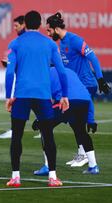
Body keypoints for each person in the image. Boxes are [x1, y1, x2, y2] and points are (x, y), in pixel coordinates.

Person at [5, 10, 69, 187]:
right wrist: (64, 95)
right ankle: (53, 177)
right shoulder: (49, 44)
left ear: (25, 24)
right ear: (40, 24)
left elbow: (10, 72)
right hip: (43, 96)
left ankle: (15, 177)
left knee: (16, 136)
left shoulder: (15, 43)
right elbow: (62, 71)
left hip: (22, 95)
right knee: (48, 136)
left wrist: (7, 96)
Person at [46, 12, 111, 167]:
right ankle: (83, 154)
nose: (48, 34)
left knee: (76, 122)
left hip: (87, 84)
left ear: (56, 29)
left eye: (49, 30)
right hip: (77, 87)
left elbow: (92, 57)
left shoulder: (74, 40)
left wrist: (100, 79)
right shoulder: (61, 43)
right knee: (74, 121)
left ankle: (84, 155)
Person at [33, 67, 99, 176]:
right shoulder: (71, 71)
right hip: (84, 102)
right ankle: (93, 166)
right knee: (81, 132)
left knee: (44, 128)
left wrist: (39, 118)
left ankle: (47, 166)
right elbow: (86, 95)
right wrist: (91, 120)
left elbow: (44, 98)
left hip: (66, 102)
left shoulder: (45, 74)